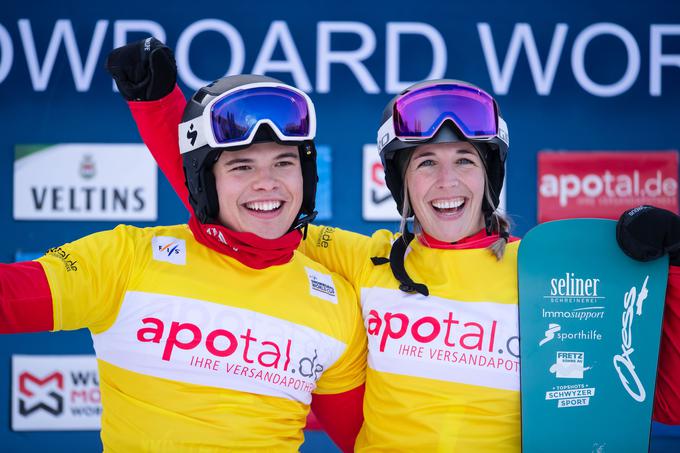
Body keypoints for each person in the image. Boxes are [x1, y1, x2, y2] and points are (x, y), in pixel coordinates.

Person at [119, 39, 680, 451]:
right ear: (400, 184)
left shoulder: (550, 275)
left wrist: (670, 271)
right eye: (426, 164)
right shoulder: (367, 261)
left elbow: (666, 404)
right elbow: (236, 205)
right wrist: (158, 104)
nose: (447, 182)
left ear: (490, 176)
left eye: (465, 160)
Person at [0, 40, 367, 452]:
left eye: (284, 162)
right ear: (204, 182)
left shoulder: (337, 302)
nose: (268, 183)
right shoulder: (127, 260)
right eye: (241, 166)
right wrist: (156, 105)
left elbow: (368, 442)